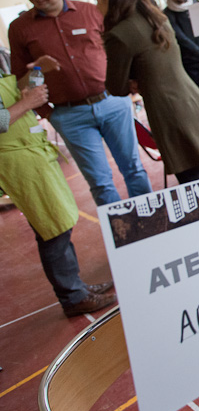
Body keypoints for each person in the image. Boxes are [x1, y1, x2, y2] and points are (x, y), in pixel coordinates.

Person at [8, 0, 152, 207]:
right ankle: (120, 228)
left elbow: (121, 49)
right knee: (100, 182)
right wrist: (40, 76)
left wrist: (130, 82)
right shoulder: (19, 29)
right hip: (69, 115)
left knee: (134, 169)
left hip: (113, 103)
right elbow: (20, 83)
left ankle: (152, 220)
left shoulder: (92, 12)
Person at [0, 73, 117, 317]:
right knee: (52, 227)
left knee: (59, 221)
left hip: (30, 151)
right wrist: (28, 102)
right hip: (17, 156)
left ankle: (77, 287)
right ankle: (74, 297)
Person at [95, 0, 199, 184]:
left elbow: (116, 87)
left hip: (168, 113)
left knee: (197, 186)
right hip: (193, 101)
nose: (96, 6)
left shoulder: (120, 34)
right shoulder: (157, 18)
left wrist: (135, 81)